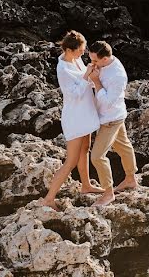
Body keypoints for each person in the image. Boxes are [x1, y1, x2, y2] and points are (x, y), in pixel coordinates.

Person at [40, 30, 104, 209]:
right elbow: (74, 94)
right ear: (69, 49)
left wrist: (93, 77)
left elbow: (86, 82)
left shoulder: (76, 60)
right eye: (80, 50)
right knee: (71, 161)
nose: (83, 53)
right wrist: (86, 77)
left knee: (85, 149)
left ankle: (86, 185)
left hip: (86, 113)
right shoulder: (63, 69)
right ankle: (49, 198)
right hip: (75, 116)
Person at [87, 40, 139, 206]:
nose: (92, 63)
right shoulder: (102, 65)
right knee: (123, 146)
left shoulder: (118, 76)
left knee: (97, 157)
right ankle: (131, 179)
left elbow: (108, 101)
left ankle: (108, 193)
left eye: (95, 61)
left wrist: (96, 81)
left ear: (104, 59)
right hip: (114, 115)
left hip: (111, 119)